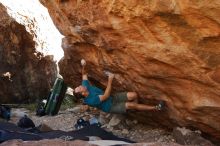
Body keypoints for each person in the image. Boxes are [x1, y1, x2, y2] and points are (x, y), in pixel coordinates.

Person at [74, 59, 165, 114]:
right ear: (83, 93)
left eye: (79, 86)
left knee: (134, 95)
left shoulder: (85, 86)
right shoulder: (91, 100)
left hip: (112, 98)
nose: (80, 86)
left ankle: (135, 108)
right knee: (131, 105)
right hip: (110, 106)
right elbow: (105, 95)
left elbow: (84, 75)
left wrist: (84, 66)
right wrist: (110, 80)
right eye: (79, 88)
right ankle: (156, 108)